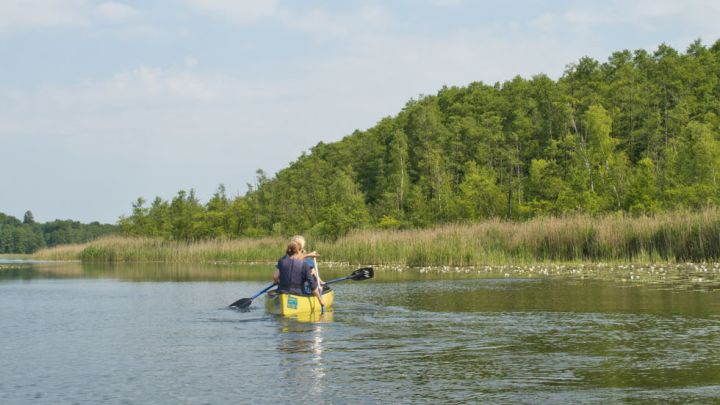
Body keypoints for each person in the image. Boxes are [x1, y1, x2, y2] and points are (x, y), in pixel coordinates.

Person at [273, 236, 325, 309]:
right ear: (299, 251)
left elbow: (275, 277)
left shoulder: (281, 262)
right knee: (320, 288)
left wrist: (279, 282)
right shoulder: (304, 265)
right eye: (302, 251)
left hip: (282, 292)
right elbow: (312, 286)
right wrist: (320, 301)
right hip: (296, 294)